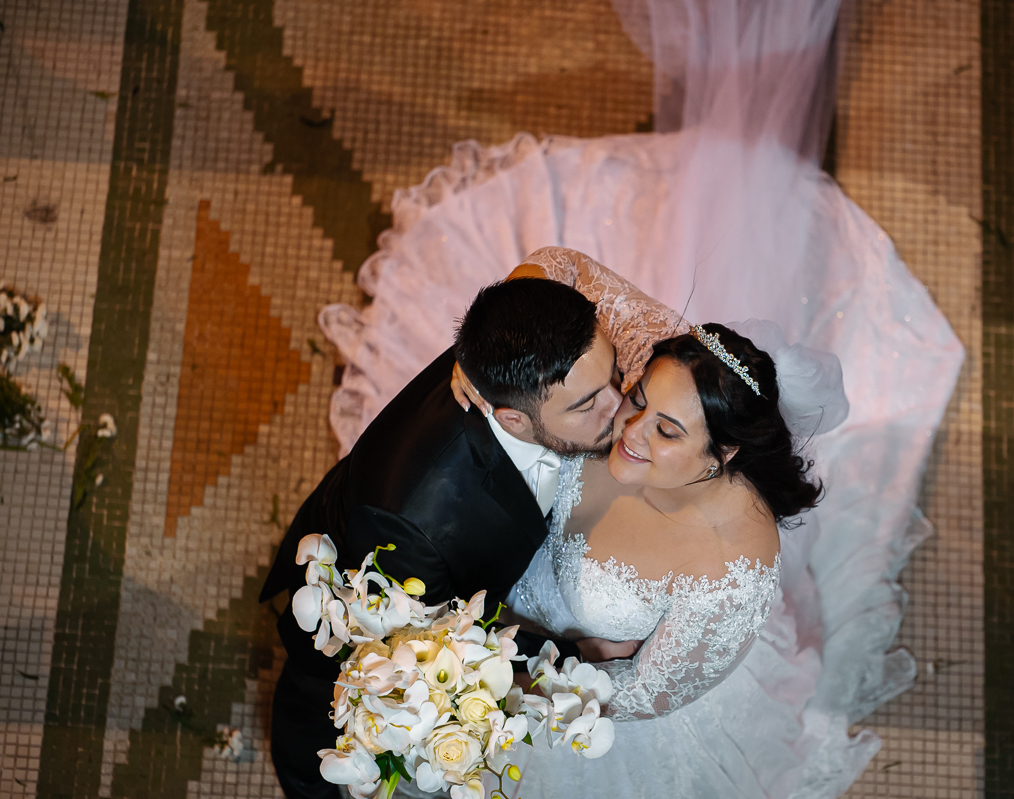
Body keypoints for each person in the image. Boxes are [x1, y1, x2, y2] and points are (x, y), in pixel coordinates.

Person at [316, 0, 966, 794]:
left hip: (583, 729)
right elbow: (554, 264)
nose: (627, 433)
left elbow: (643, 698)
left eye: (667, 430)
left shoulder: (735, 561)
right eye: (636, 400)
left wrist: (526, 680)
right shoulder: (607, 406)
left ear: (722, 454)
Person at [260, 276, 645, 799]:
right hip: (361, 603)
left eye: (613, 376)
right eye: (587, 405)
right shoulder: (414, 522)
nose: (619, 407)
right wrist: (573, 650)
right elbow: (442, 639)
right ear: (510, 417)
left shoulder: (512, 346)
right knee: (320, 704)